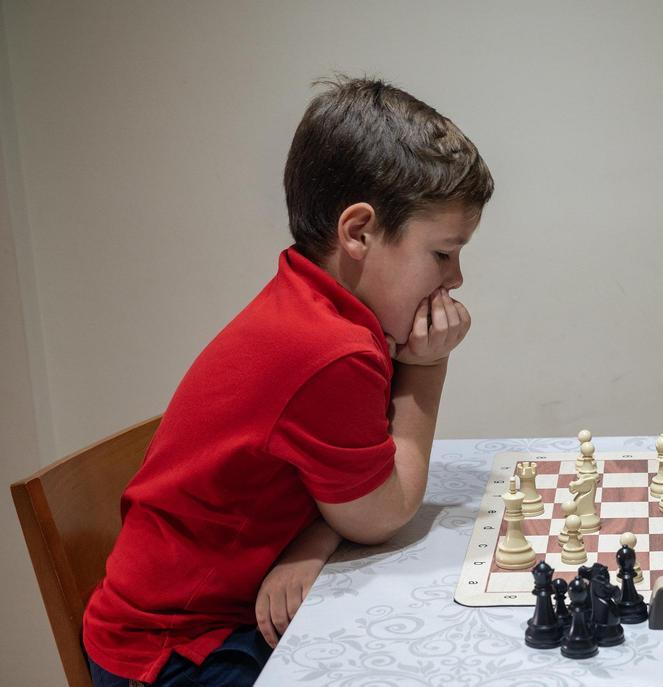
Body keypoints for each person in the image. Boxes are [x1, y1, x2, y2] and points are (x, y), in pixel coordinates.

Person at [81, 76, 493, 686]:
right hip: (176, 651)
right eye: (442, 253)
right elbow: (384, 513)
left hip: (204, 617)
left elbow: (352, 494)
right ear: (358, 233)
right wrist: (427, 368)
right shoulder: (329, 349)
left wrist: (313, 540)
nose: (455, 277)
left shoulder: (318, 306)